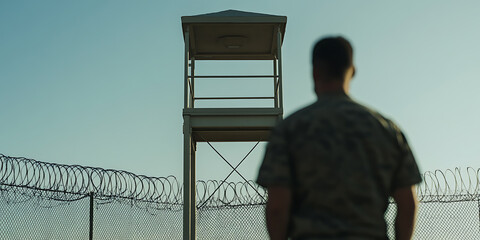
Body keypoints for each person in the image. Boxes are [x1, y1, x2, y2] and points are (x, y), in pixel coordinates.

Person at [256, 36, 422, 240]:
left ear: (315, 72)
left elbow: (277, 208)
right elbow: (408, 204)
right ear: (352, 72)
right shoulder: (386, 129)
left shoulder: (290, 129)